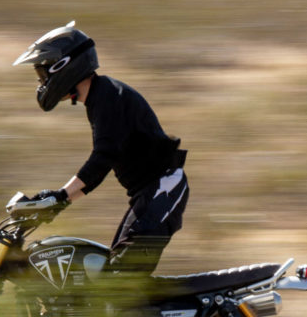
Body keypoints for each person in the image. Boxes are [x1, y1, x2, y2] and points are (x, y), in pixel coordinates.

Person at [12, 21, 189, 279]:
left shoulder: (107, 96)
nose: (42, 83)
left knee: (120, 280)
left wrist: (60, 196)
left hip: (163, 187)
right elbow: (100, 166)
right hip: (151, 192)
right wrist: (57, 203)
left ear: (63, 67)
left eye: (43, 75)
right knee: (107, 274)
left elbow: (103, 159)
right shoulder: (100, 98)